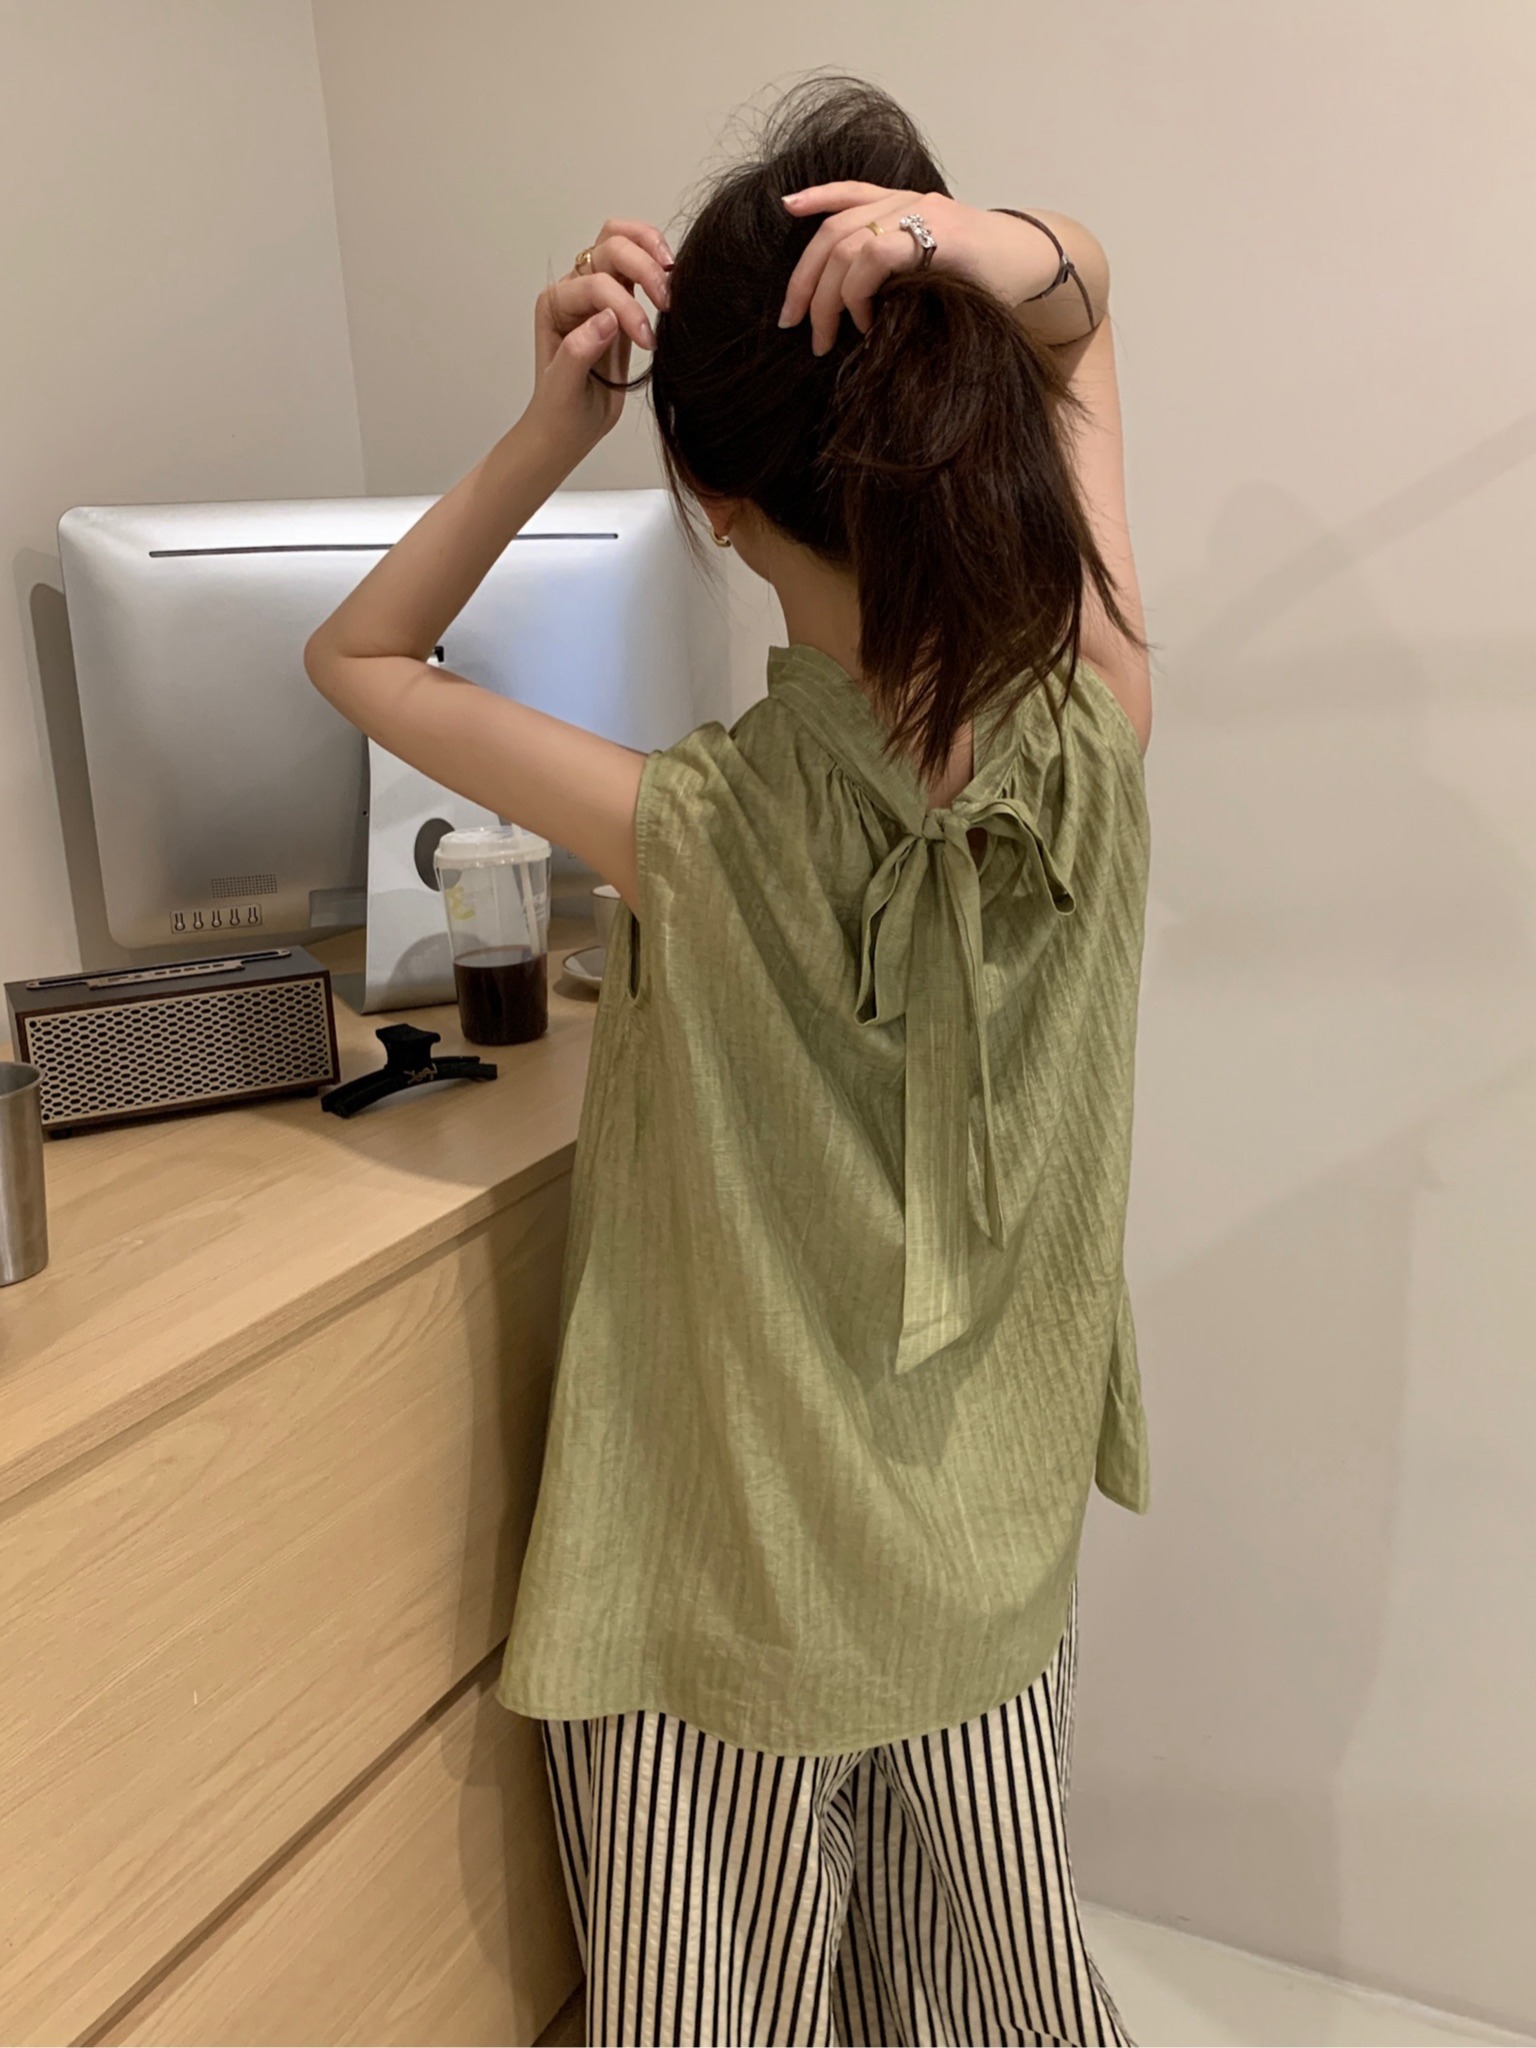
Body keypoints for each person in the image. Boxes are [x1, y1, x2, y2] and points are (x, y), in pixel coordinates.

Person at [306, 70, 1153, 2048]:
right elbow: (1088, 305)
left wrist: (550, 427)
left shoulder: (687, 826)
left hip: (722, 1612)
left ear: (709, 497)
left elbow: (360, 659)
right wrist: (974, 246)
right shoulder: (1099, 733)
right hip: (983, 1591)